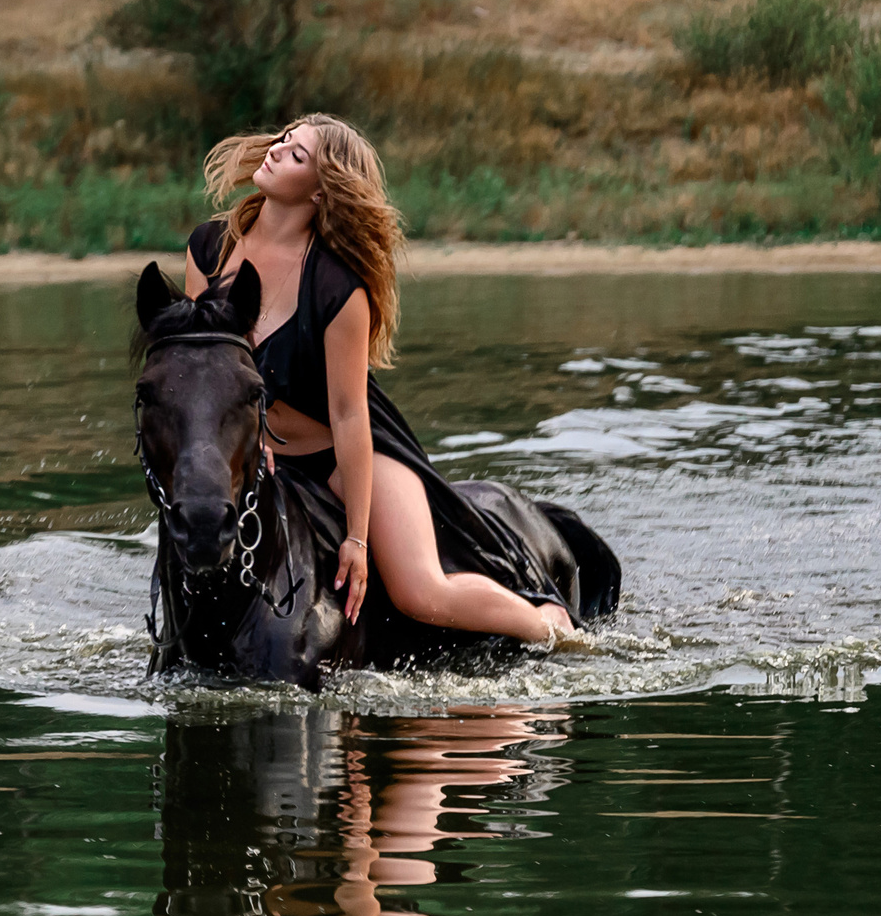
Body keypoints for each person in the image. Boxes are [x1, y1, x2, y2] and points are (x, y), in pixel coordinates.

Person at [182, 113, 585, 649]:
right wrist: (247, 435)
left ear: (322, 192)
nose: (277, 150)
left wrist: (355, 536)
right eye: (283, 140)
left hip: (342, 451)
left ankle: (546, 624)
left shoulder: (337, 287)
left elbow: (350, 413)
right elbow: (200, 376)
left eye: (296, 154)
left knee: (422, 591)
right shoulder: (210, 249)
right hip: (250, 450)